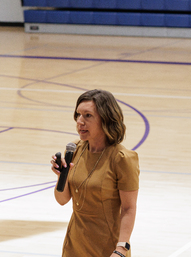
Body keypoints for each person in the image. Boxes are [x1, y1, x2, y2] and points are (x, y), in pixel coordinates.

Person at [50, 89, 140, 257]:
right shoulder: (75, 150)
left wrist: (121, 248)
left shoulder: (122, 158)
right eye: (78, 115)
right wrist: (61, 176)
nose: (80, 122)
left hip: (108, 247)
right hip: (75, 244)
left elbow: (129, 208)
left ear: (105, 120)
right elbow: (62, 200)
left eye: (88, 116)